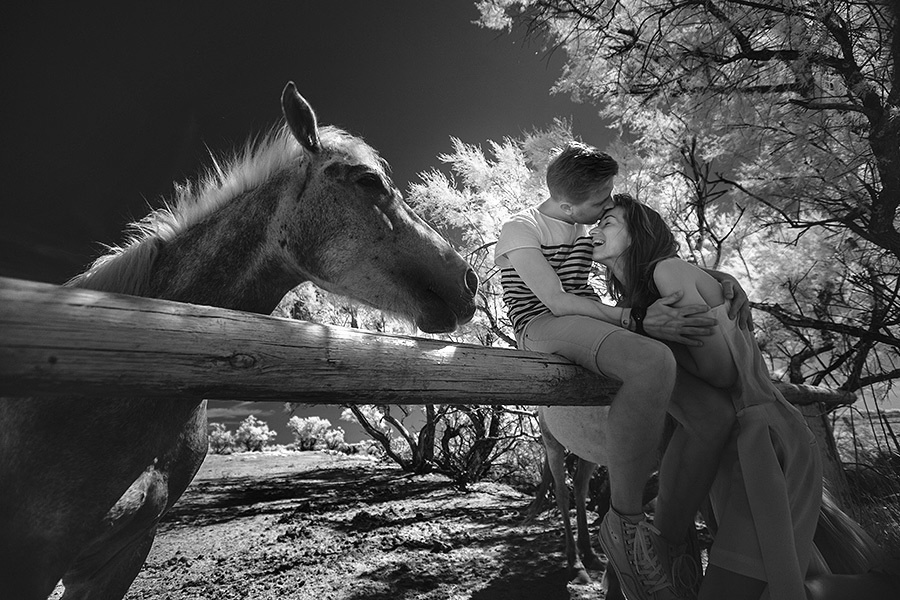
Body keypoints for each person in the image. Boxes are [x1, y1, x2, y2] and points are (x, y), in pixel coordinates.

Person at [592, 192, 897, 599]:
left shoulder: (668, 272)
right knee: (778, 588)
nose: (595, 229)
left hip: (762, 443)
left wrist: (646, 333)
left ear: (639, 234)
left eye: (608, 222)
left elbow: (720, 373)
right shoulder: (637, 302)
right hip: (732, 449)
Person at [495, 142, 748, 600]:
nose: (608, 203)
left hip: (588, 319)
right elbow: (555, 302)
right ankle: (626, 526)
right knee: (652, 359)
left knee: (714, 416)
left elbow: (644, 253)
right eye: (601, 200)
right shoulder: (522, 228)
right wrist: (633, 320)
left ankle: (668, 542)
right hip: (542, 325)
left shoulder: (586, 228)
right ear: (570, 205)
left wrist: (715, 280)